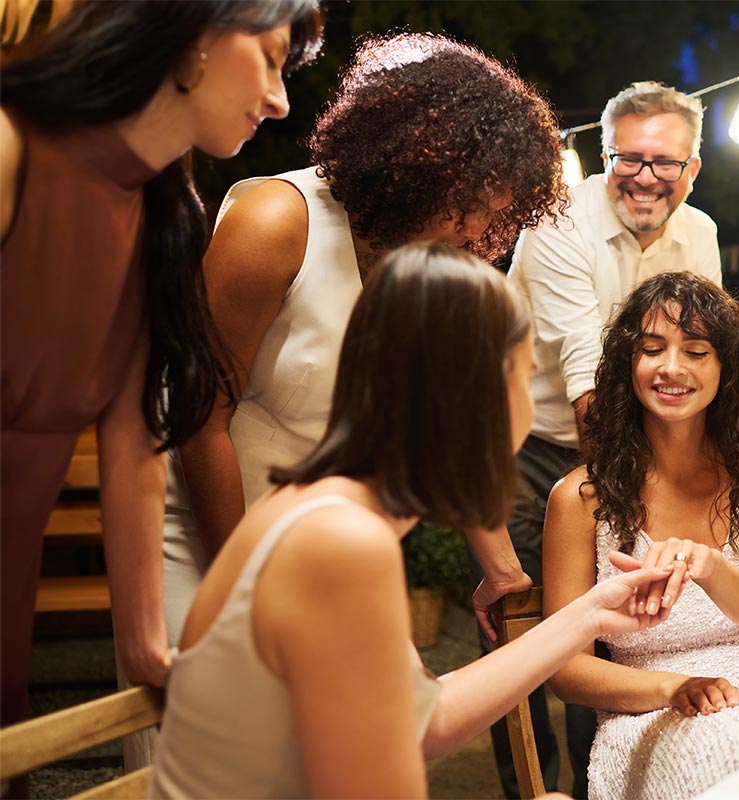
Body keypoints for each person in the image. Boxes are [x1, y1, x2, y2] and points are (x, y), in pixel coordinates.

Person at [149, 243, 675, 799]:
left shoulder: (321, 509)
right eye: (523, 375)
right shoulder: (344, 542)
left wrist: (591, 612)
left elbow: (425, 718)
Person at [163, 31, 563, 651]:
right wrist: (242, 592)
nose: (480, 230)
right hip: (206, 532)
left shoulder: (439, 270)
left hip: (326, 545)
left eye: (495, 213)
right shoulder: (277, 223)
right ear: (415, 170)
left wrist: (504, 572)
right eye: (466, 207)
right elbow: (199, 419)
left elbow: (450, 430)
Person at [0, 0, 323, 753]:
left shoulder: (162, 208)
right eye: (272, 58)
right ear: (192, 34)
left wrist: (149, 646)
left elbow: (134, 433)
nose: (280, 100)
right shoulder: (14, 143)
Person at [501, 79, 720, 798]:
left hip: (645, 450)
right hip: (536, 447)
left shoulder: (703, 234)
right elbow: (590, 382)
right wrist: (652, 494)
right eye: (631, 157)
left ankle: (605, 784)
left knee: (615, 634)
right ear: (603, 156)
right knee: (528, 640)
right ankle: (532, 790)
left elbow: (702, 362)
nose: (646, 177)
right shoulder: (558, 220)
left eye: (666, 162)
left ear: (694, 168)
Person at [543, 272, 739, 800]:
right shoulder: (580, 498)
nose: (672, 368)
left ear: (725, 369)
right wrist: (674, 689)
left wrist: (710, 567)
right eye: (652, 349)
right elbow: (566, 669)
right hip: (648, 717)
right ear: (629, 363)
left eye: (696, 351)